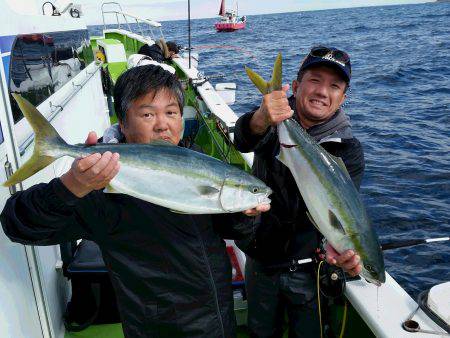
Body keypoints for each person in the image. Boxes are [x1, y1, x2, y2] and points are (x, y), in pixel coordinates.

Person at [1, 65, 269, 338]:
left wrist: (243, 214)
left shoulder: (198, 160)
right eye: (148, 114)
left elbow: (235, 232)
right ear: (123, 123)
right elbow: (17, 224)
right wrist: (70, 187)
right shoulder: (101, 185)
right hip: (158, 329)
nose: (163, 124)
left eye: (171, 112)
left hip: (218, 319)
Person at [233, 46, 365, 337]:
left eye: (334, 86)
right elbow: (242, 139)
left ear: (343, 98)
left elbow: (344, 211)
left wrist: (343, 249)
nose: (322, 92)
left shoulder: (348, 151)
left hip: (311, 270)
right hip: (262, 259)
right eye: (315, 80)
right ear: (295, 86)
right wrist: (261, 118)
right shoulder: (271, 122)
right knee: (259, 332)